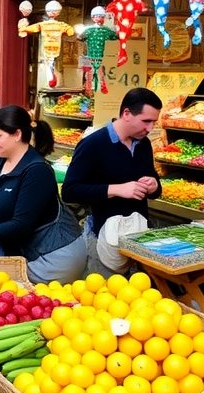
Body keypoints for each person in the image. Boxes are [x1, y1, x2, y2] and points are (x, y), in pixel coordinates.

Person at [0, 106, 86, 281]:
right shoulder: (3, 161)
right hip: (22, 252)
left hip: (50, 258)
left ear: (17, 135)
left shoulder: (37, 171)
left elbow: (21, 225)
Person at [62, 88, 163, 277]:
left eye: (154, 122)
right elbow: (70, 191)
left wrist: (154, 185)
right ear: (126, 114)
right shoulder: (93, 145)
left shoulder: (144, 145)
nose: (150, 128)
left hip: (138, 238)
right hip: (103, 239)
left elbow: (153, 181)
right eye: (146, 121)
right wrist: (115, 190)